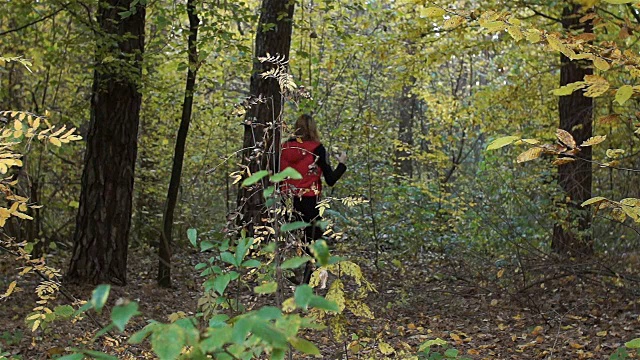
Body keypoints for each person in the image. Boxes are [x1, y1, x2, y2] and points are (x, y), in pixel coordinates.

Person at [279, 114, 347, 283]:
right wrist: (342, 164)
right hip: (309, 200)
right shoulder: (317, 149)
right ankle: (306, 280)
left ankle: (287, 274)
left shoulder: (284, 147)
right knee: (313, 240)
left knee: (290, 238)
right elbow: (330, 179)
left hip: (286, 199)